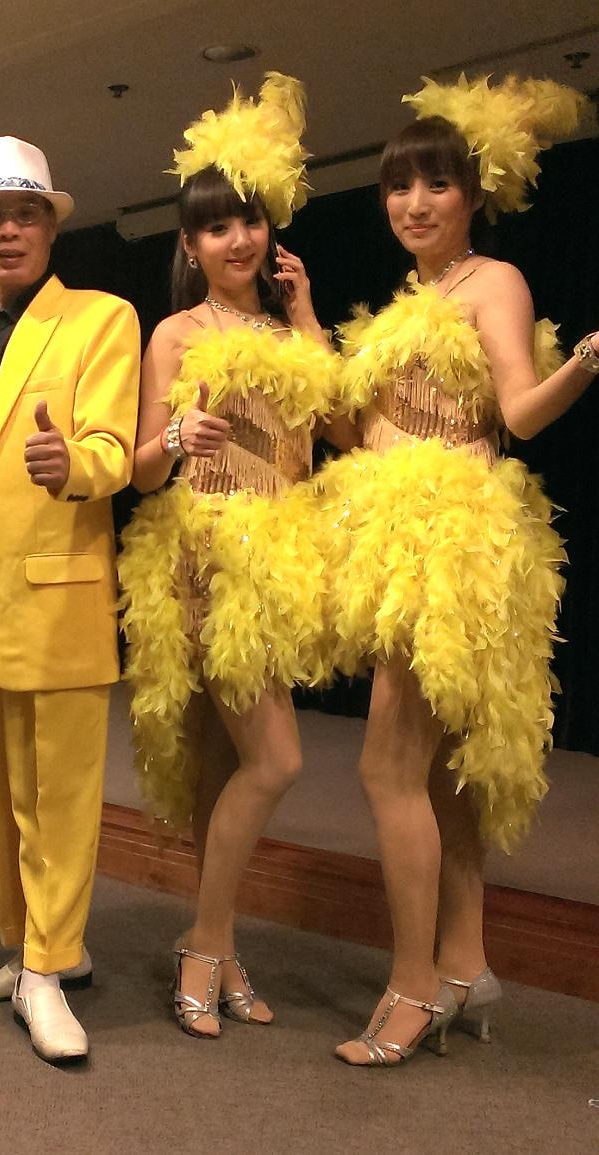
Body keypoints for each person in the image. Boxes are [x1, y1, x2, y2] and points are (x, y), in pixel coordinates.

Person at [314, 74, 591, 1066]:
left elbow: (517, 414)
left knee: (387, 767)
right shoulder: (410, 299)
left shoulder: (493, 282)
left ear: (475, 194)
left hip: (450, 542)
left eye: (436, 184)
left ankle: (413, 984)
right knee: (437, 775)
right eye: (399, 186)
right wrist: (302, 325)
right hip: (391, 533)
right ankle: (467, 964)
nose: (414, 202)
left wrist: (583, 364)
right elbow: (356, 430)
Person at [120, 73, 355, 1037]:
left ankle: (217, 946)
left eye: (250, 220)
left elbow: (343, 426)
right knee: (278, 760)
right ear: (190, 244)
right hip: (210, 556)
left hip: (282, 557)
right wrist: (179, 438)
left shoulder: (289, 331)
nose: (238, 240)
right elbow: (140, 471)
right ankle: (206, 943)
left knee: (227, 769)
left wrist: (306, 315)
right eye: (216, 227)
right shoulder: (176, 332)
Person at [0, 135, 140, 1062]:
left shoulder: (101, 318)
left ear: (51, 227)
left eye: (25, 214)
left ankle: (50, 971)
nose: (8, 230)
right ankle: (27, 949)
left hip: (59, 595)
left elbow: (111, 446)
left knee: (58, 797)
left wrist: (74, 464)